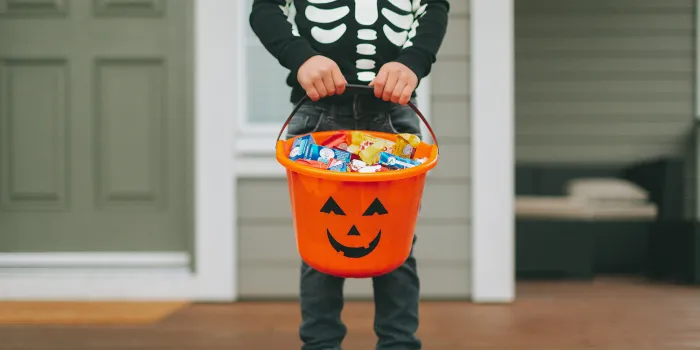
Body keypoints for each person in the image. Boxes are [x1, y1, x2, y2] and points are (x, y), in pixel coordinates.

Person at [250, 1, 449, 349]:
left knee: (396, 240)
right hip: (317, 111)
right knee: (320, 238)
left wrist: (414, 61)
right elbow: (265, 8)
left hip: (393, 113)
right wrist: (301, 57)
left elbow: (434, 6)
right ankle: (320, 343)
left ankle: (399, 343)